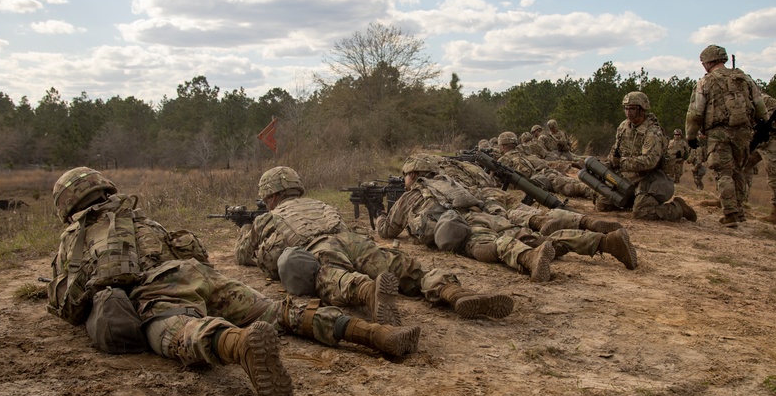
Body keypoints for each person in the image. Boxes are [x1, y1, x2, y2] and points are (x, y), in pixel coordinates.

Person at [46, 168, 414, 396]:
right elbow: (194, 251)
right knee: (279, 310)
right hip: (198, 275)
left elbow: (68, 303)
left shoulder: (75, 238)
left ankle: (241, 346)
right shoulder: (140, 218)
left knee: (182, 332)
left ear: (67, 204)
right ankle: (377, 334)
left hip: (154, 294)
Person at [235, 166, 513, 320]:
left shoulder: (267, 218)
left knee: (332, 276)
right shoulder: (318, 203)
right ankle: (455, 293)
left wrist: (244, 227)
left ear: (270, 196)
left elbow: (244, 254)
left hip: (319, 248)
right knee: (404, 267)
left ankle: (370, 292)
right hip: (354, 241)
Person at [375, 155, 637, 281]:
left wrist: (380, 216)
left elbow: (388, 232)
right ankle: (604, 241)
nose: (405, 179)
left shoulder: (409, 197)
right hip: (484, 213)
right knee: (527, 235)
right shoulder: (451, 183)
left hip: (461, 224)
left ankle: (529, 258)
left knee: (489, 246)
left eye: (406, 175)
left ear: (414, 174)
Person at [685, 44, 767, 227]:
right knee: (738, 170)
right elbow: (760, 105)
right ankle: (739, 211)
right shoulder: (744, 78)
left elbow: (696, 112)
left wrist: (690, 136)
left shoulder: (705, 82)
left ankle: (730, 214)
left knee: (723, 172)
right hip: (744, 132)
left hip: (718, 132)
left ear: (708, 62)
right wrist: (762, 124)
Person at [600, 92, 697, 223]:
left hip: (652, 179)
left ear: (642, 109)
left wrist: (621, 163)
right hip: (629, 178)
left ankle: (678, 208)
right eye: (626, 108)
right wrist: (609, 163)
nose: (628, 112)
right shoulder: (623, 127)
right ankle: (636, 200)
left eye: (632, 108)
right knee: (603, 205)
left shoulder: (652, 132)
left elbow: (649, 162)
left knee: (641, 213)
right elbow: (615, 151)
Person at [494, 131, 592, 199]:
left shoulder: (503, 160)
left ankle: (597, 192)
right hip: (547, 173)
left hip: (541, 179)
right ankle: (595, 188)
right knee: (574, 183)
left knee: (572, 187)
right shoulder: (524, 152)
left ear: (502, 146)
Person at [750, 93, 776, 224]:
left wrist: (765, 124)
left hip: (773, 142)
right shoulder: (738, 99)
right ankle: (733, 203)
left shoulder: (762, 98)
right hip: (755, 141)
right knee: (737, 168)